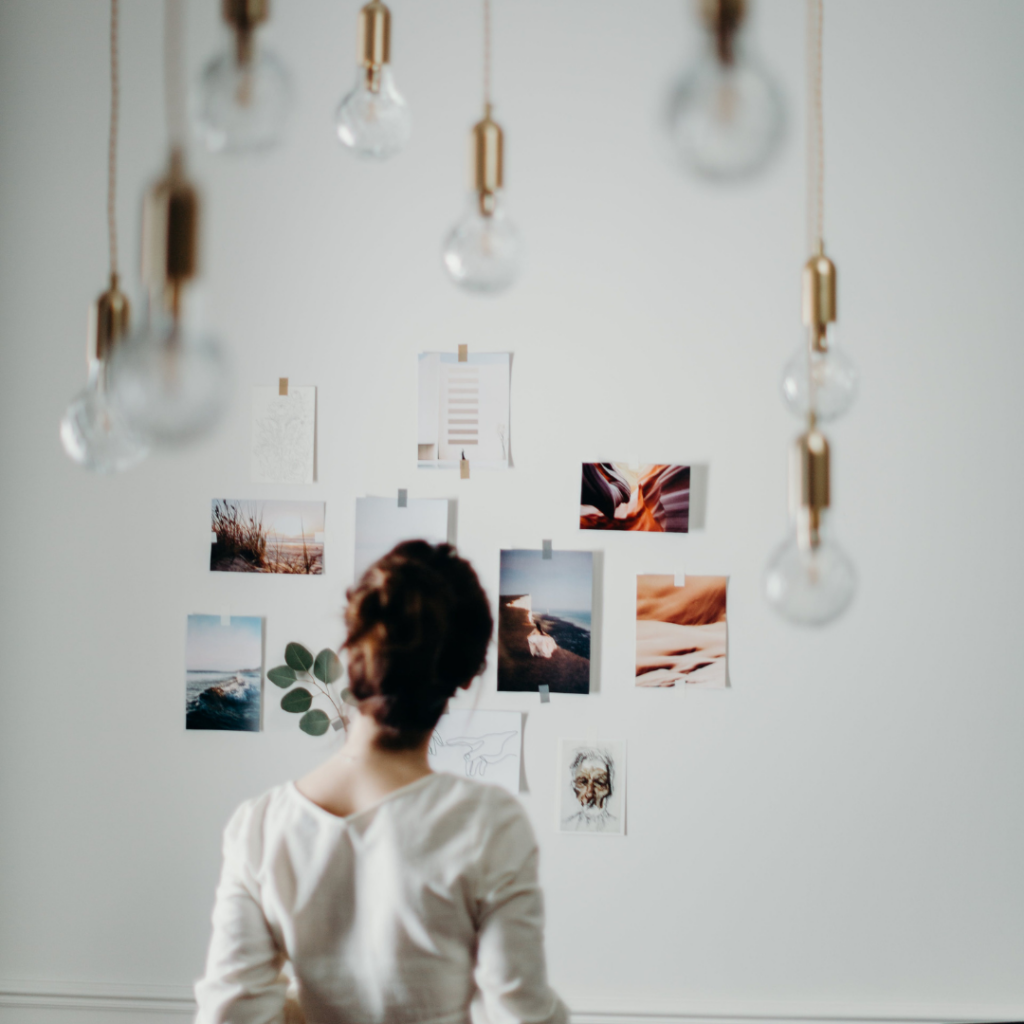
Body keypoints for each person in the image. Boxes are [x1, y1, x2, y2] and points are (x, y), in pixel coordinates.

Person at [194, 541, 567, 1024]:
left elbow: (230, 1016)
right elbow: (522, 1017)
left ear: (351, 653)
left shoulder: (260, 828)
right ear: (467, 675)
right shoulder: (488, 825)